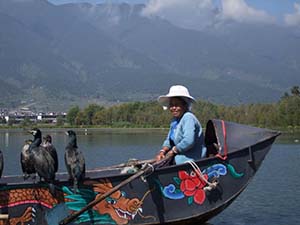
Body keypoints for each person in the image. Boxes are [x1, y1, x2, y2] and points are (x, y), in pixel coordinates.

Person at [155, 85, 206, 165]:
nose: (173, 108)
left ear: (185, 105)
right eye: (171, 105)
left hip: (191, 160)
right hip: (178, 157)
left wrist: (173, 150)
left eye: (177, 105)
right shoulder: (175, 121)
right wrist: (162, 151)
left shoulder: (188, 117)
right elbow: (169, 140)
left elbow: (188, 141)